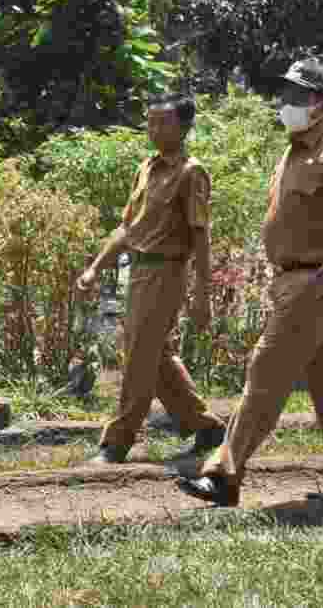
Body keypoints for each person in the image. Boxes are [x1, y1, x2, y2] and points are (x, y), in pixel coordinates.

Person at [176, 58, 323, 506]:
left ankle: (224, 473)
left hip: (316, 282)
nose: (285, 103)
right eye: (284, 94)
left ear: (320, 103)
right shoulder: (292, 149)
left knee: (265, 371)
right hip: (289, 280)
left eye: (296, 96)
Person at [76, 93, 226, 464]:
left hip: (167, 272)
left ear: (185, 127)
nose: (154, 129)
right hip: (139, 271)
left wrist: (202, 294)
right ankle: (206, 427)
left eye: (164, 122)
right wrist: (96, 266)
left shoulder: (192, 173)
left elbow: (200, 236)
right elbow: (128, 228)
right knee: (154, 356)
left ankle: (117, 441)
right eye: (150, 121)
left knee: (139, 356)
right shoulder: (146, 168)